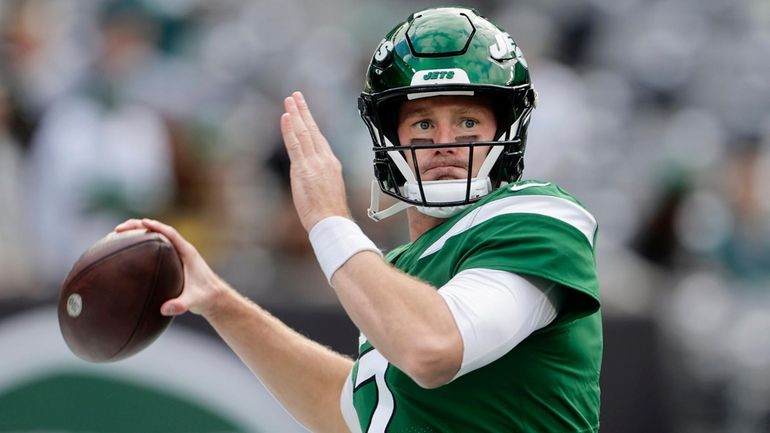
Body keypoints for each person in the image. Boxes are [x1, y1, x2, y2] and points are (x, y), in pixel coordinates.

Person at [116, 7, 601, 433]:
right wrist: (221, 303)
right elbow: (347, 410)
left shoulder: (538, 217)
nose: (446, 141)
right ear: (390, 140)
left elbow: (433, 348)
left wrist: (328, 220)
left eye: (468, 121)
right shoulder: (394, 274)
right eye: (424, 124)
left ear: (507, 129)